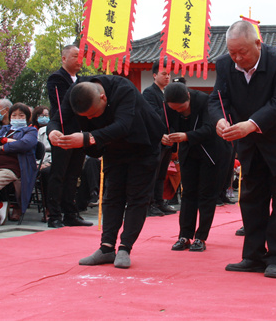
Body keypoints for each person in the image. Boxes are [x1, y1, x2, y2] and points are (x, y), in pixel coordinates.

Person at [208, 20, 276, 279]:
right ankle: (252, 256)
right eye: (232, 53)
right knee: (252, 200)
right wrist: (220, 119)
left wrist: (250, 125)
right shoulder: (225, 64)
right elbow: (218, 99)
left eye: (243, 52)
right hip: (251, 145)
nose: (238, 59)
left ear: (257, 44)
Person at [48, 76, 164, 269]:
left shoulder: (123, 89)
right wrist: (53, 132)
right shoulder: (76, 91)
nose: (91, 119)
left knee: (137, 197)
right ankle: (106, 247)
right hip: (112, 147)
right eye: (86, 117)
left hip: (143, 143)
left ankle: (125, 247)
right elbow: (56, 119)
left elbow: (123, 126)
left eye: (93, 114)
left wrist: (88, 137)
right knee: (112, 195)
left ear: (103, 98)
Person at [164, 82, 232, 252]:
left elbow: (210, 128)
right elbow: (164, 124)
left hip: (211, 152)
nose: (179, 111)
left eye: (182, 108)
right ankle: (184, 235)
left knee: (206, 195)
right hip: (189, 153)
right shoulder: (168, 107)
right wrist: (164, 136)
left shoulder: (205, 100)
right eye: (175, 109)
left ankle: (201, 237)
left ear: (188, 96)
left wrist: (186, 135)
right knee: (187, 193)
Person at [46, 45, 90, 228]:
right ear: (64, 59)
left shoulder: (82, 80)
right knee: (59, 173)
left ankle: (71, 213)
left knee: (73, 174)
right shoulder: (56, 79)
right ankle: (54, 215)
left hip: (79, 133)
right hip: (62, 130)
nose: (79, 60)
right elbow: (64, 104)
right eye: (74, 56)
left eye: (80, 56)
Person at [142, 59, 176, 217]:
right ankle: (149, 204)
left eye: (169, 74)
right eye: (164, 74)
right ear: (154, 75)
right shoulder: (149, 92)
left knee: (162, 173)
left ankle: (159, 200)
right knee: (153, 172)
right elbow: (152, 115)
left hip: (168, 138)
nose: (167, 77)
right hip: (156, 138)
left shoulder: (167, 93)